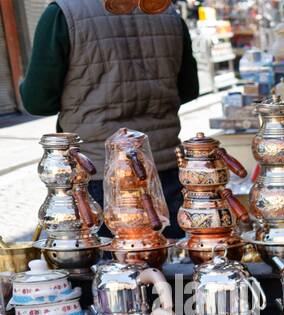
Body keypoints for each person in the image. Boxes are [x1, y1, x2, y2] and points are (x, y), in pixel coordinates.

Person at [20, 0, 200, 236]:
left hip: (99, 170)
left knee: (112, 267)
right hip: (163, 164)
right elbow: (188, 89)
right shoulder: (166, 10)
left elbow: (38, 101)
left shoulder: (63, 13)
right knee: (173, 265)